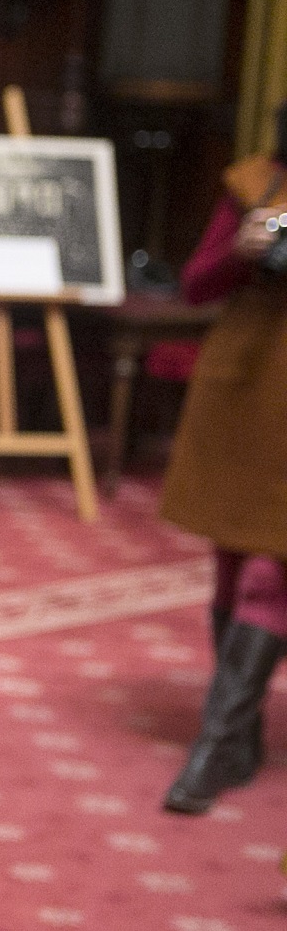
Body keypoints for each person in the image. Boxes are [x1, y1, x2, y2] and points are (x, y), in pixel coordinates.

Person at [159, 135, 287, 815]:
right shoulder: (252, 183)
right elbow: (196, 282)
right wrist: (243, 249)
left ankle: (215, 743)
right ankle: (240, 735)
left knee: (271, 569)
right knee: (233, 567)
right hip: (244, 382)